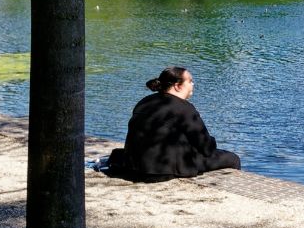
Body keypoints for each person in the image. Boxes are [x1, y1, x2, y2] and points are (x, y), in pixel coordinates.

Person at [102, 66, 241, 182]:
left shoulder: (145, 101)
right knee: (233, 158)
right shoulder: (184, 108)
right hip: (163, 169)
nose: (193, 85)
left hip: (133, 165)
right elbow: (206, 148)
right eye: (190, 81)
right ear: (177, 86)